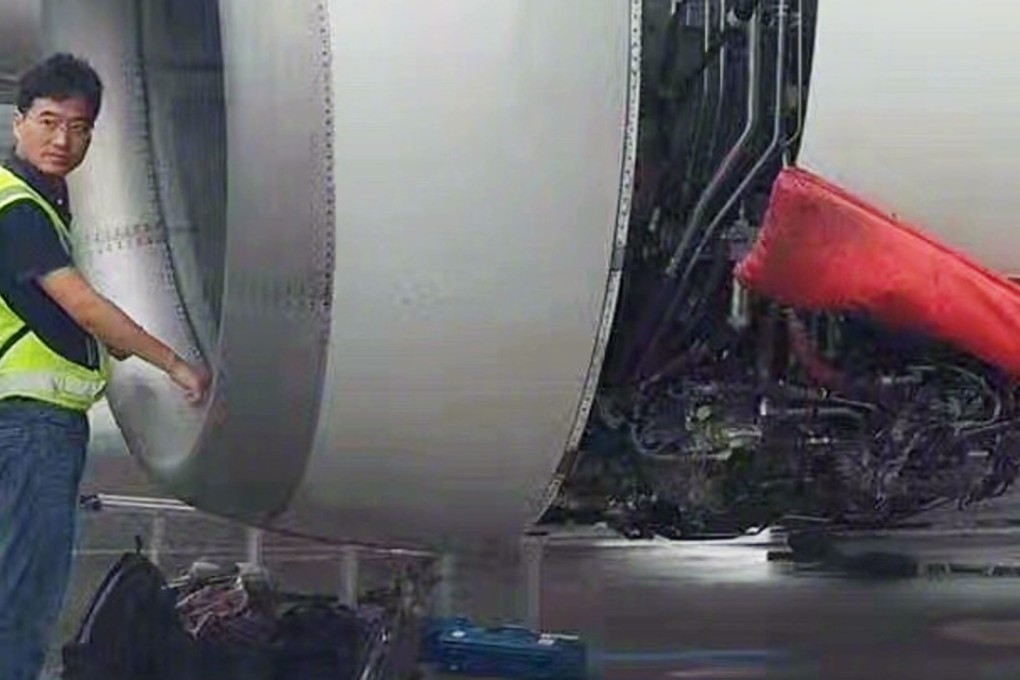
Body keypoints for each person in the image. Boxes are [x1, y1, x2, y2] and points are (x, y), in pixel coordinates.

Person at [0, 53, 210, 679]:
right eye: (48, 121)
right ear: (18, 123)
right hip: (32, 427)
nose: (63, 139)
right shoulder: (18, 208)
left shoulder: (32, 201)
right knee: (23, 599)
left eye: (79, 127)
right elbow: (84, 306)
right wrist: (176, 363)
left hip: (22, 424)